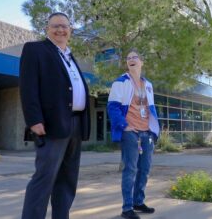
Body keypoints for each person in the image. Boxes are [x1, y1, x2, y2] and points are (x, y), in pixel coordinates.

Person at [19, 12, 91, 219]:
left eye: (64, 26)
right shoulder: (35, 50)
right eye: (55, 26)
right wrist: (34, 119)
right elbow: (28, 87)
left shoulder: (69, 56)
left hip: (76, 125)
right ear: (47, 29)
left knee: (67, 180)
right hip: (51, 124)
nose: (60, 30)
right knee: (44, 179)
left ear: (70, 31)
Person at [107, 50, 160, 219]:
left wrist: (154, 129)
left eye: (134, 57)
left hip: (147, 133)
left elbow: (151, 109)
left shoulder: (148, 85)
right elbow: (113, 107)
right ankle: (127, 207)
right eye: (128, 58)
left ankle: (138, 202)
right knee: (130, 169)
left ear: (141, 61)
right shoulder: (121, 82)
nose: (131, 60)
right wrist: (124, 126)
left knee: (144, 169)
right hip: (131, 132)